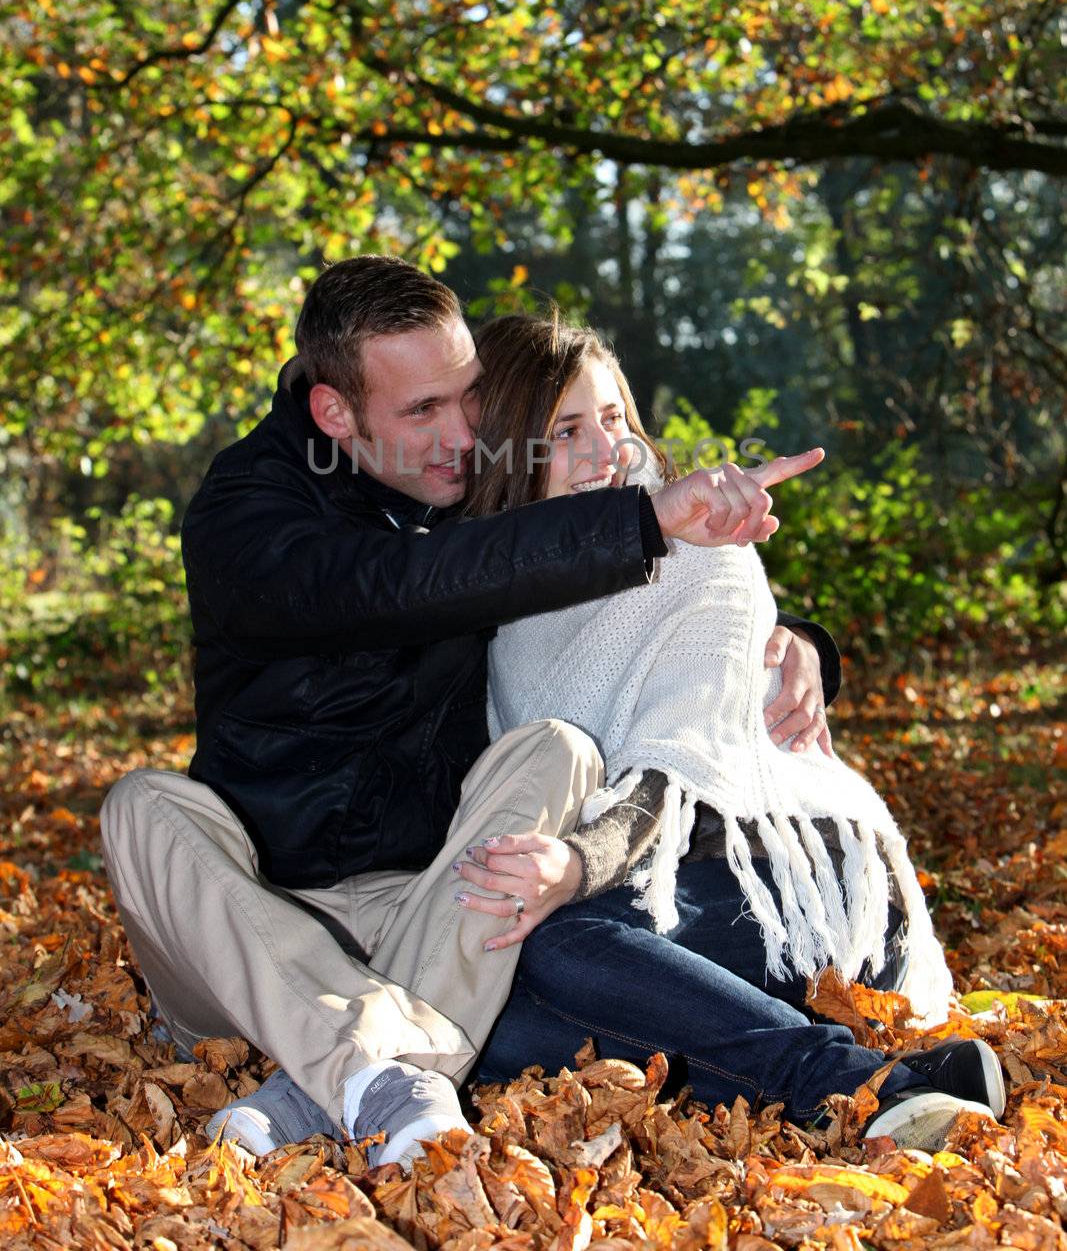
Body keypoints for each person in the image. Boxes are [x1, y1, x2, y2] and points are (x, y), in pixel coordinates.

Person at [99, 256, 834, 1165]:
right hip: (255, 928)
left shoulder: (460, 485)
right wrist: (643, 520)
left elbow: (608, 590)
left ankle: (343, 1086)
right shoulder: (245, 517)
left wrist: (788, 641)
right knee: (141, 806)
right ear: (335, 413)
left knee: (555, 750)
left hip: (433, 908)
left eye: (469, 399)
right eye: (422, 412)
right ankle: (367, 1069)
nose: (461, 435)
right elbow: (400, 585)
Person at [455, 311, 1004, 1151]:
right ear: (506, 449)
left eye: (612, 419)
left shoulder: (696, 548)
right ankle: (900, 1078)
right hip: (653, 898)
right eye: (566, 431)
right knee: (494, 1032)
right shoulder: (489, 594)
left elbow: (667, 776)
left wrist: (574, 865)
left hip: (792, 880)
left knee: (552, 949)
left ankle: (857, 1086)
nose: (605, 452)